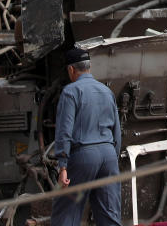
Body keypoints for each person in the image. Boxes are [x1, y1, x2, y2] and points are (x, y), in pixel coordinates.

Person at [52, 48, 122, 226]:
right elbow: (117, 132)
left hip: (83, 155)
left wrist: (62, 167)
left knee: (66, 213)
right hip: (109, 156)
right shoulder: (107, 91)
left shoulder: (70, 92)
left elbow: (64, 131)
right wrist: (112, 159)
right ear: (89, 67)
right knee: (109, 216)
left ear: (71, 70)